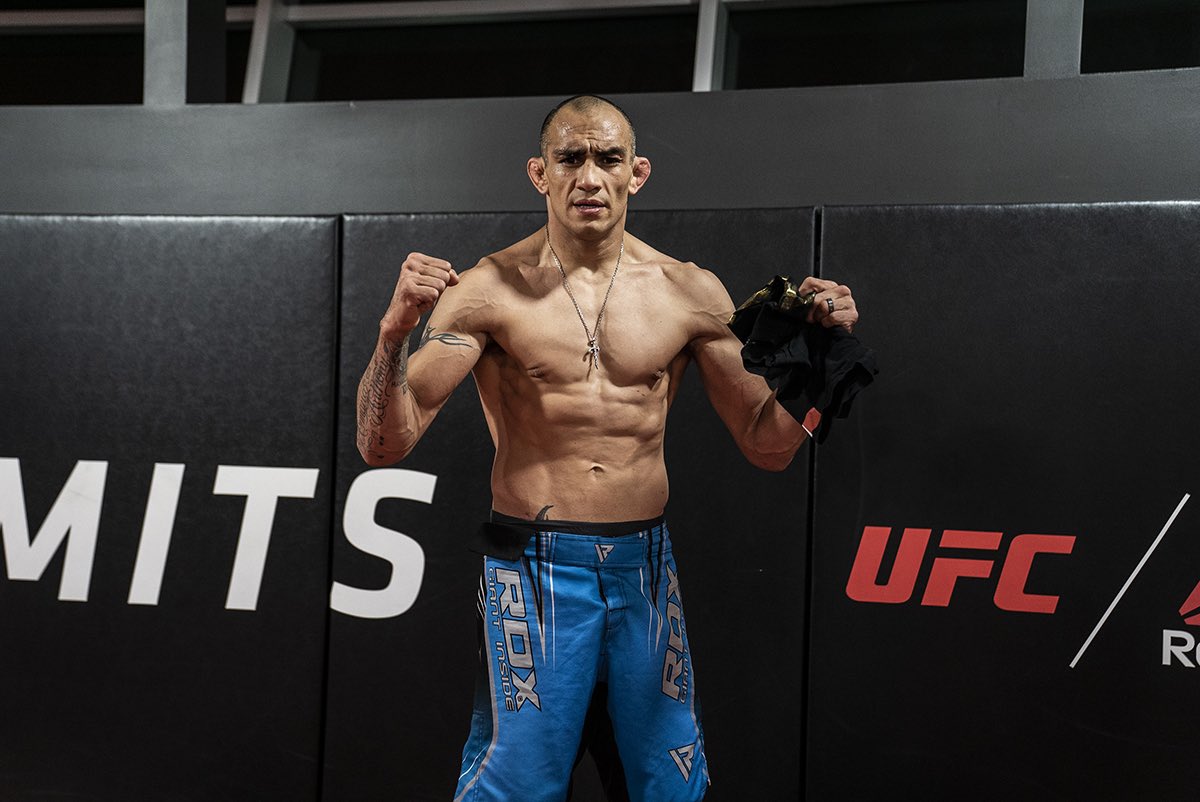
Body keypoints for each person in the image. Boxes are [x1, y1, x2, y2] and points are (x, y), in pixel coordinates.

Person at [355, 94, 858, 802]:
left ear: (636, 172)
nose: (589, 177)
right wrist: (392, 334)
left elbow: (766, 445)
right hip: (534, 569)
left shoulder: (689, 292)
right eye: (570, 158)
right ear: (540, 173)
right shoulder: (487, 291)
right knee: (513, 789)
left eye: (608, 158)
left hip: (643, 571)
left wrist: (821, 366)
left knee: (669, 787)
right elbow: (383, 445)